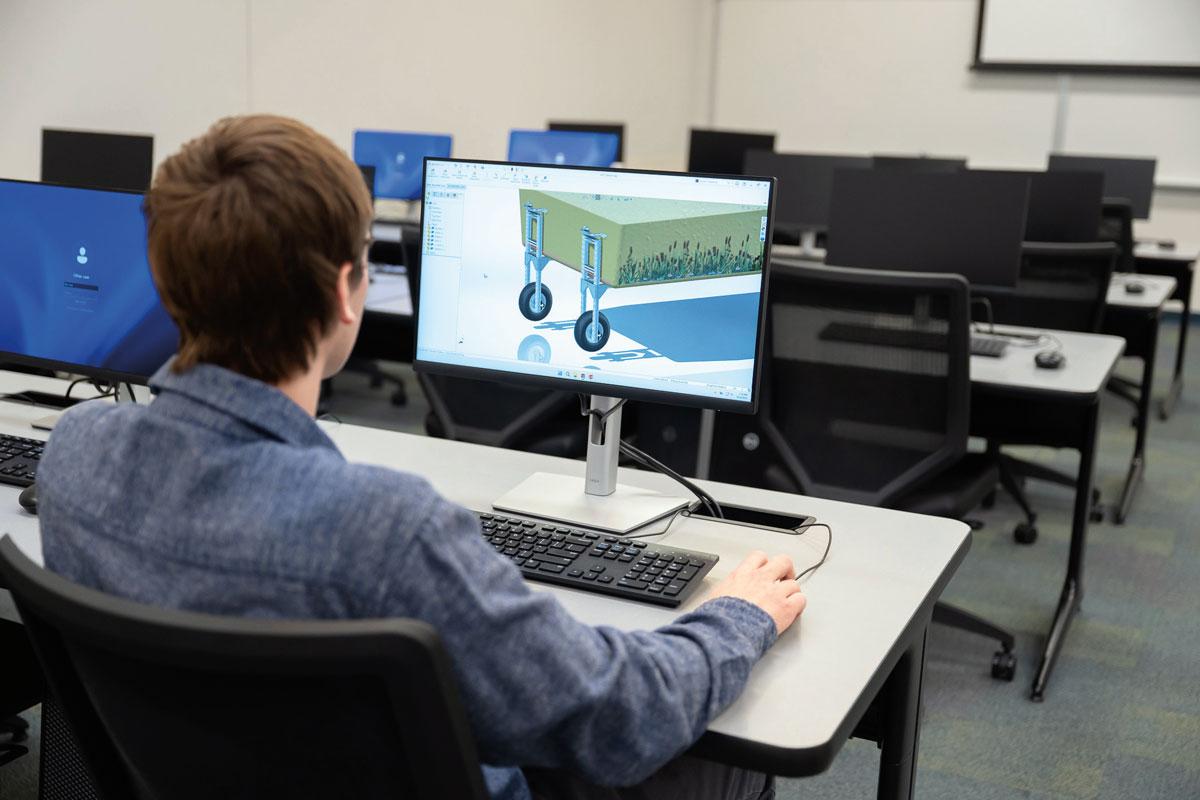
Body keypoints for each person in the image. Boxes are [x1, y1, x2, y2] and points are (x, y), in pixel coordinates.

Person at [37, 115, 806, 800]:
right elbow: (619, 717)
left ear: (167, 281)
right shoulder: (384, 528)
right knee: (733, 759)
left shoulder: (76, 456)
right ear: (347, 292)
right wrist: (736, 616)